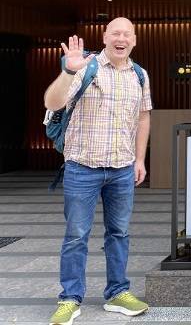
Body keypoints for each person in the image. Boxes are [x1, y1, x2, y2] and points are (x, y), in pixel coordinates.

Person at [44, 17, 152, 325]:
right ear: (105, 37)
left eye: (127, 34)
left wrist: (140, 159)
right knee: (77, 235)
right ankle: (69, 298)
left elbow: (143, 118)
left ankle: (117, 293)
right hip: (82, 167)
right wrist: (68, 71)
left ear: (134, 40)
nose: (121, 38)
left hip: (121, 169)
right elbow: (52, 102)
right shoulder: (86, 67)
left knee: (119, 233)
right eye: (115, 33)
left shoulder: (139, 75)